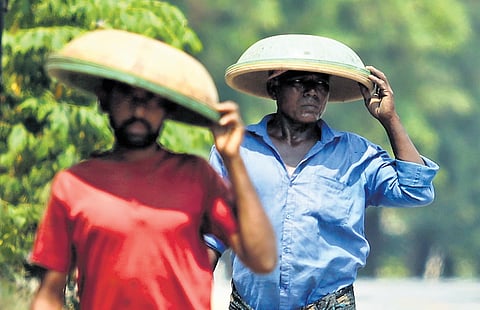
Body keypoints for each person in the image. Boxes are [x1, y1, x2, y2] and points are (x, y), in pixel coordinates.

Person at [29, 29, 276, 310]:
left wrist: (233, 159)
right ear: (104, 99)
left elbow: (262, 259)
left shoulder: (196, 176)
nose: (139, 109)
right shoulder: (74, 184)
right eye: (127, 94)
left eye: (151, 98)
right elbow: (49, 294)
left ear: (167, 109)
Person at [207, 34, 439, 309]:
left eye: (321, 85)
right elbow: (211, 234)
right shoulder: (237, 149)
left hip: (329, 303)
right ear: (274, 88)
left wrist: (389, 119)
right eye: (299, 82)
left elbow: (415, 190)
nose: (312, 92)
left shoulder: (355, 154)